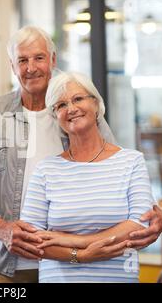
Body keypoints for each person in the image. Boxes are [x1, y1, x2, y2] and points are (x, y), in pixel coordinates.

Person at [0, 26, 162, 283]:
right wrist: (1, 228)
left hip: (78, 267)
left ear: (53, 59)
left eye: (39, 58)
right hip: (9, 263)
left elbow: (114, 168)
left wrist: (151, 215)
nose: (31, 67)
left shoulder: (77, 110)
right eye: (22, 60)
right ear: (12, 66)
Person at [20, 71, 154, 282]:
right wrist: (80, 256)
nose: (71, 109)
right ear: (55, 116)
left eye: (78, 99)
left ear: (96, 104)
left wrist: (69, 239)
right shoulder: (46, 170)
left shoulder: (131, 161)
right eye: (61, 105)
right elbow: (31, 239)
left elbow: (138, 226)